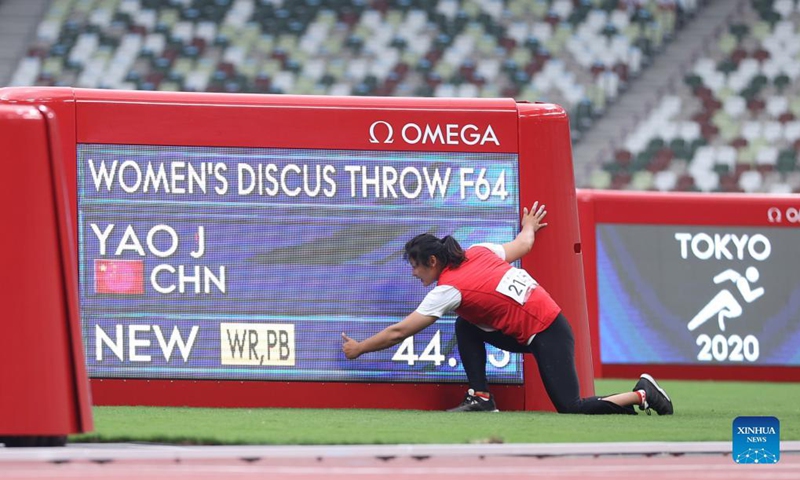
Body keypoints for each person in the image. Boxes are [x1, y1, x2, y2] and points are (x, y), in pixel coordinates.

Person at [342, 201, 673, 415]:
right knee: (466, 323)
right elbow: (523, 245)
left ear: (432, 261)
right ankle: (482, 398)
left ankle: (641, 394)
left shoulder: (448, 289)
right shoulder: (478, 251)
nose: (413, 273)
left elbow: (400, 331)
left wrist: (359, 349)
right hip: (545, 325)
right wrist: (529, 225)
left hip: (547, 334)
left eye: (416, 266)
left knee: (570, 407)